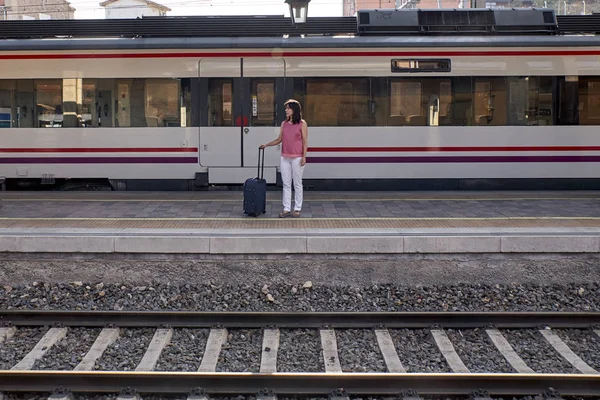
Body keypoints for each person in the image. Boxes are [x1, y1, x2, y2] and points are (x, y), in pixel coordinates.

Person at [260, 99, 308, 218]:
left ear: (294, 110)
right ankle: (286, 208)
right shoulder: (284, 124)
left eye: (288, 108)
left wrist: (304, 157)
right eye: (286, 108)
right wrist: (266, 145)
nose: (286, 110)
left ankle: (297, 208)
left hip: (297, 157)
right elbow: (279, 139)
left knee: (297, 183)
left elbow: (305, 142)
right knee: (286, 184)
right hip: (285, 157)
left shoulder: (302, 124)